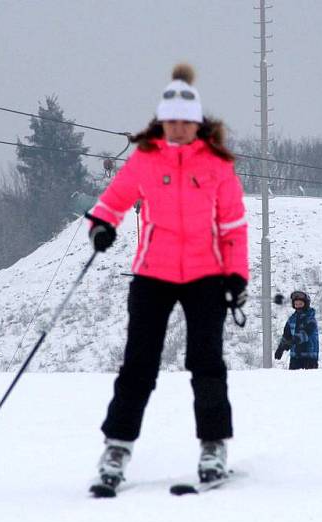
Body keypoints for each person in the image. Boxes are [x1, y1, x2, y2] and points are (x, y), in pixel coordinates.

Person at [85, 64, 248, 496]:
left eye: (185, 122)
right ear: (162, 121)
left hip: (206, 276)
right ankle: (116, 448)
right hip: (152, 274)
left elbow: (233, 226)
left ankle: (213, 446)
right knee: (138, 365)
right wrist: (101, 226)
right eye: (171, 121)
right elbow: (112, 201)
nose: (177, 129)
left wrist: (235, 275)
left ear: (197, 123)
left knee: (206, 363)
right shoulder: (146, 159)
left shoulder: (217, 165)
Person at [274, 291, 319, 369]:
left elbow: (305, 334)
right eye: (296, 304)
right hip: (295, 357)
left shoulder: (311, 319)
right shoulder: (292, 319)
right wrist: (281, 348)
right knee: (293, 380)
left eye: (300, 304)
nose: (298, 306)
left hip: (309, 357)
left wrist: (294, 340)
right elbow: (286, 336)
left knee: (310, 380)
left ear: (306, 304)